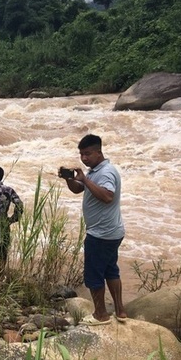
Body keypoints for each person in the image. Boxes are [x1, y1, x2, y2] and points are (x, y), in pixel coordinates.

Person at [59, 134, 127, 326]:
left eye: (88, 154)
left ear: (99, 152)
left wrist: (86, 180)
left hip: (101, 234)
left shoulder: (105, 172)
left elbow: (107, 196)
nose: (84, 158)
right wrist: (70, 179)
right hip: (111, 232)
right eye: (81, 154)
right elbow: (78, 189)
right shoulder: (95, 170)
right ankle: (120, 311)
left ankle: (101, 314)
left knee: (94, 274)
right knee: (111, 270)